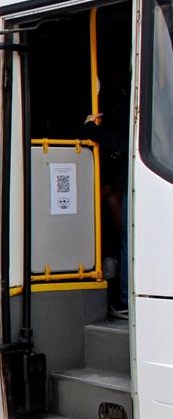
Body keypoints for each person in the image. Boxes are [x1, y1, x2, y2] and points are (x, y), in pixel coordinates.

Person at [84, 91, 129, 317]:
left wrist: (92, 130)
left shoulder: (125, 102)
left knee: (130, 243)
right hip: (123, 181)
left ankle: (124, 300)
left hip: (129, 179)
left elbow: (122, 144)